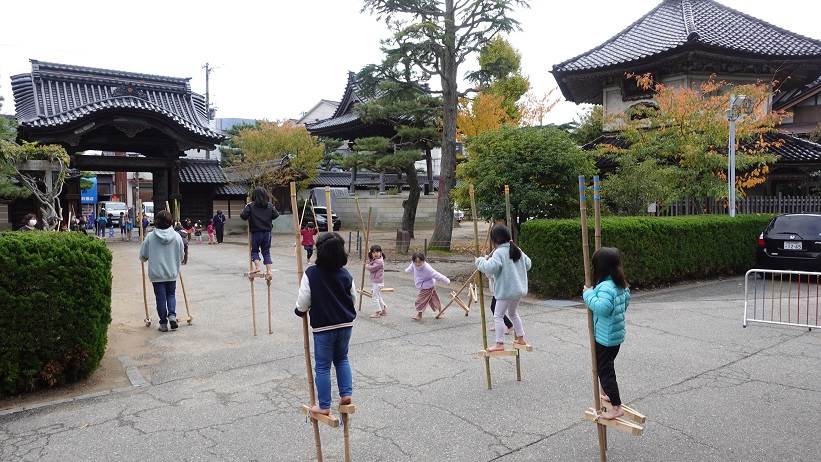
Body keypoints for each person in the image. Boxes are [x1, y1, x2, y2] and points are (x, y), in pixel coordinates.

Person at [294, 232, 356, 415]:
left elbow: (304, 300)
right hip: (345, 324)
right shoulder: (346, 274)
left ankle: (324, 405)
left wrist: (299, 310)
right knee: (342, 358)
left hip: (324, 327)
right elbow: (352, 297)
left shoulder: (311, 274)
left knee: (322, 366)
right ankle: (346, 393)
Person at [583, 247, 631, 420]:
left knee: (605, 371)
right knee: (607, 366)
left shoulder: (605, 287)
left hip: (605, 338)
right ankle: (610, 395)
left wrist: (588, 295)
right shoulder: (620, 284)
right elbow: (624, 304)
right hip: (616, 337)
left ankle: (617, 407)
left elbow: (603, 308)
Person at [475, 224, 532, 352]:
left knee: (498, 315)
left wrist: (480, 261)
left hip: (506, 291)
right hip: (518, 290)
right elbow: (528, 264)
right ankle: (521, 338)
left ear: (495, 240)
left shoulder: (499, 252)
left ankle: (499, 344)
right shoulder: (517, 250)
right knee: (513, 313)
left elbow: (490, 268)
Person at [139, 210, 185, 332]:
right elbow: (181, 256)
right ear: (171, 222)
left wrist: (145, 257)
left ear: (157, 222)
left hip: (156, 274)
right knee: (171, 294)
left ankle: (163, 324)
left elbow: (143, 256)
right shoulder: (177, 236)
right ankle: (172, 315)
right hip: (171, 272)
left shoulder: (150, 237)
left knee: (160, 298)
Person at [241, 187, 280, 278]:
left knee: (254, 251)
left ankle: (257, 267)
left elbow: (243, 216)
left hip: (256, 232)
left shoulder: (250, 205)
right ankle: (269, 271)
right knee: (266, 252)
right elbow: (276, 215)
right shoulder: (270, 205)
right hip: (267, 233)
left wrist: (247, 208)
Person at [405, 252, 450, 321]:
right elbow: (411, 267)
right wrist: (407, 270)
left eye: (419, 262)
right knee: (434, 299)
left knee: (420, 300)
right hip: (423, 285)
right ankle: (441, 311)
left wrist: (446, 280)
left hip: (427, 285)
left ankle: (419, 315)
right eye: (415, 262)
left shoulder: (427, 268)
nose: (417, 264)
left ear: (423, 261)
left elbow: (437, 275)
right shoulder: (414, 264)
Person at [366, 245, 388, 318]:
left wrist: (366, 266)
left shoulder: (379, 262)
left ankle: (378, 311)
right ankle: (383, 309)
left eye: (377, 252)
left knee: (374, 297)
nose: (375, 254)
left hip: (378, 282)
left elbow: (372, 268)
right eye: (373, 252)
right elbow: (371, 261)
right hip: (377, 282)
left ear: (381, 252)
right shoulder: (376, 259)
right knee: (378, 295)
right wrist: (369, 255)